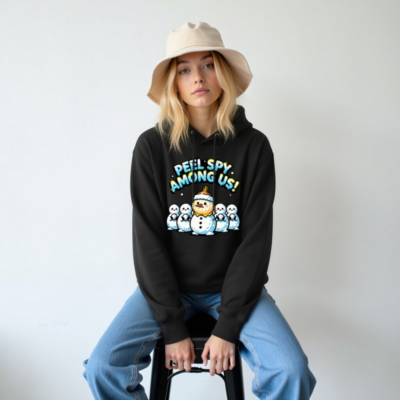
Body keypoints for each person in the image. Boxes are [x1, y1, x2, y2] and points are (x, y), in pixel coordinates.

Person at [82, 21, 317, 400]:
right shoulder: (151, 148)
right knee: (102, 367)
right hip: (167, 290)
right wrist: (172, 327)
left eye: (208, 65)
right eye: (184, 70)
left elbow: (255, 241)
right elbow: (148, 240)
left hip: (235, 291)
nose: (198, 78)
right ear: (173, 83)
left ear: (223, 73)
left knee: (292, 371)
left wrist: (227, 326)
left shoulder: (254, 147)